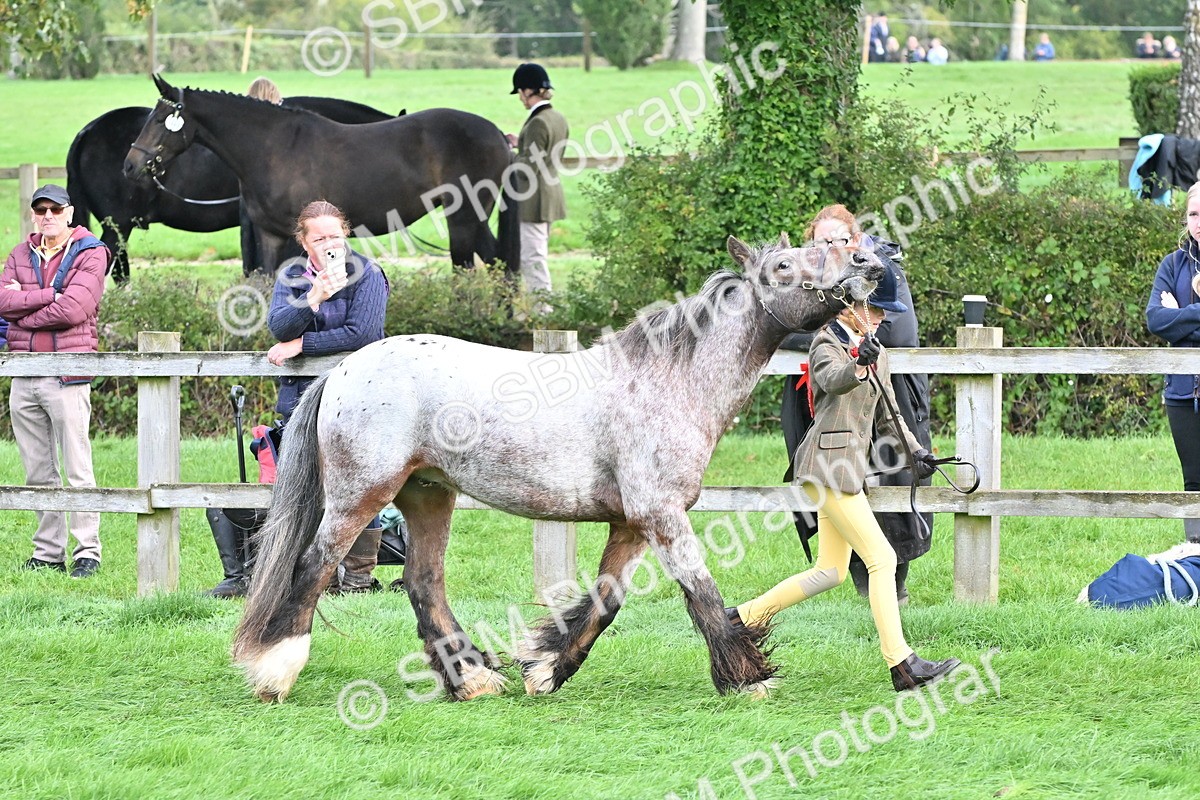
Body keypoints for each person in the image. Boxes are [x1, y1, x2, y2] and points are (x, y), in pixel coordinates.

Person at [728, 258, 960, 692]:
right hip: (825, 467)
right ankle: (902, 665)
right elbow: (833, 380)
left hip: (848, 469)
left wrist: (917, 453)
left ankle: (739, 619)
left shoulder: (878, 352)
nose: (884, 317)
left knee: (829, 572)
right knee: (882, 559)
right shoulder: (825, 344)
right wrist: (857, 365)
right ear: (851, 307)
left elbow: (891, 414)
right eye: (877, 309)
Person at [205, 200, 390, 597]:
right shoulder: (293, 277)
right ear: (304, 243)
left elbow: (363, 334)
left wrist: (303, 344)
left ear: (346, 235)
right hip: (298, 402)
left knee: (355, 485)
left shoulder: (368, 274)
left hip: (355, 403)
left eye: (334, 236)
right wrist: (313, 298)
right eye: (319, 238)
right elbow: (278, 326)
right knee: (304, 487)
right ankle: (310, 575)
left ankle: (359, 578)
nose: (329, 244)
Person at [779, 205, 933, 604]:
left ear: (856, 238)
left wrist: (823, 328)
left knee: (890, 491)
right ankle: (883, 611)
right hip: (827, 408)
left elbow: (896, 332)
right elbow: (782, 325)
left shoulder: (881, 272)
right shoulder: (809, 279)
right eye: (821, 242)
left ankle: (891, 596)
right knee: (842, 555)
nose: (830, 248)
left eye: (839, 240)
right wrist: (829, 333)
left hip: (885, 398)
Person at [0, 185, 108, 578]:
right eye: (40, 209)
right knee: (36, 468)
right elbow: (2, 303)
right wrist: (50, 295)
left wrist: (23, 310)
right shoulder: (19, 253)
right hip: (24, 371)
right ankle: (48, 552)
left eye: (55, 209)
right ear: (33, 214)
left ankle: (88, 552)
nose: (47, 215)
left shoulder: (91, 251)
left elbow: (74, 309)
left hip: (67, 372)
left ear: (70, 213)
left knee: (77, 464)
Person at [1146, 180, 1200, 544]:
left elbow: (1171, 323)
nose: (1199, 222)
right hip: (1182, 393)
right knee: (1193, 480)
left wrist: (1180, 315)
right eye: (1194, 214)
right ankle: (1196, 556)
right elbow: (1155, 319)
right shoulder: (1173, 264)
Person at [505, 62, 568, 316]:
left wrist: (507, 157)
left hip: (534, 199)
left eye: (520, 92)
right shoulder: (556, 118)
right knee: (536, 256)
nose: (520, 98)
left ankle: (542, 313)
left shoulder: (537, 123)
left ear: (527, 91)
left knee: (532, 259)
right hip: (551, 194)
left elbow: (529, 167)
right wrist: (520, 143)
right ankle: (540, 309)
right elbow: (544, 152)